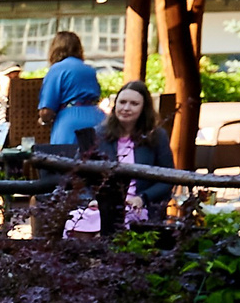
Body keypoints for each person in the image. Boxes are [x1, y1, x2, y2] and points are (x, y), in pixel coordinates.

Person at [64, 81, 171, 237]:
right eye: (122, 102)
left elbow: (167, 178)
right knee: (79, 223)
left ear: (144, 108)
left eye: (134, 104)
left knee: (121, 224)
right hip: (98, 205)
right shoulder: (96, 135)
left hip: (138, 206)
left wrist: (142, 198)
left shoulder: (157, 136)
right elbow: (77, 176)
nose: (126, 108)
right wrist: (90, 199)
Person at [39, 30, 106, 147]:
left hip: (69, 124)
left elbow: (47, 110)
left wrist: (44, 120)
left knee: (64, 160)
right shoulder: (89, 69)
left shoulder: (57, 69)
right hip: (97, 119)